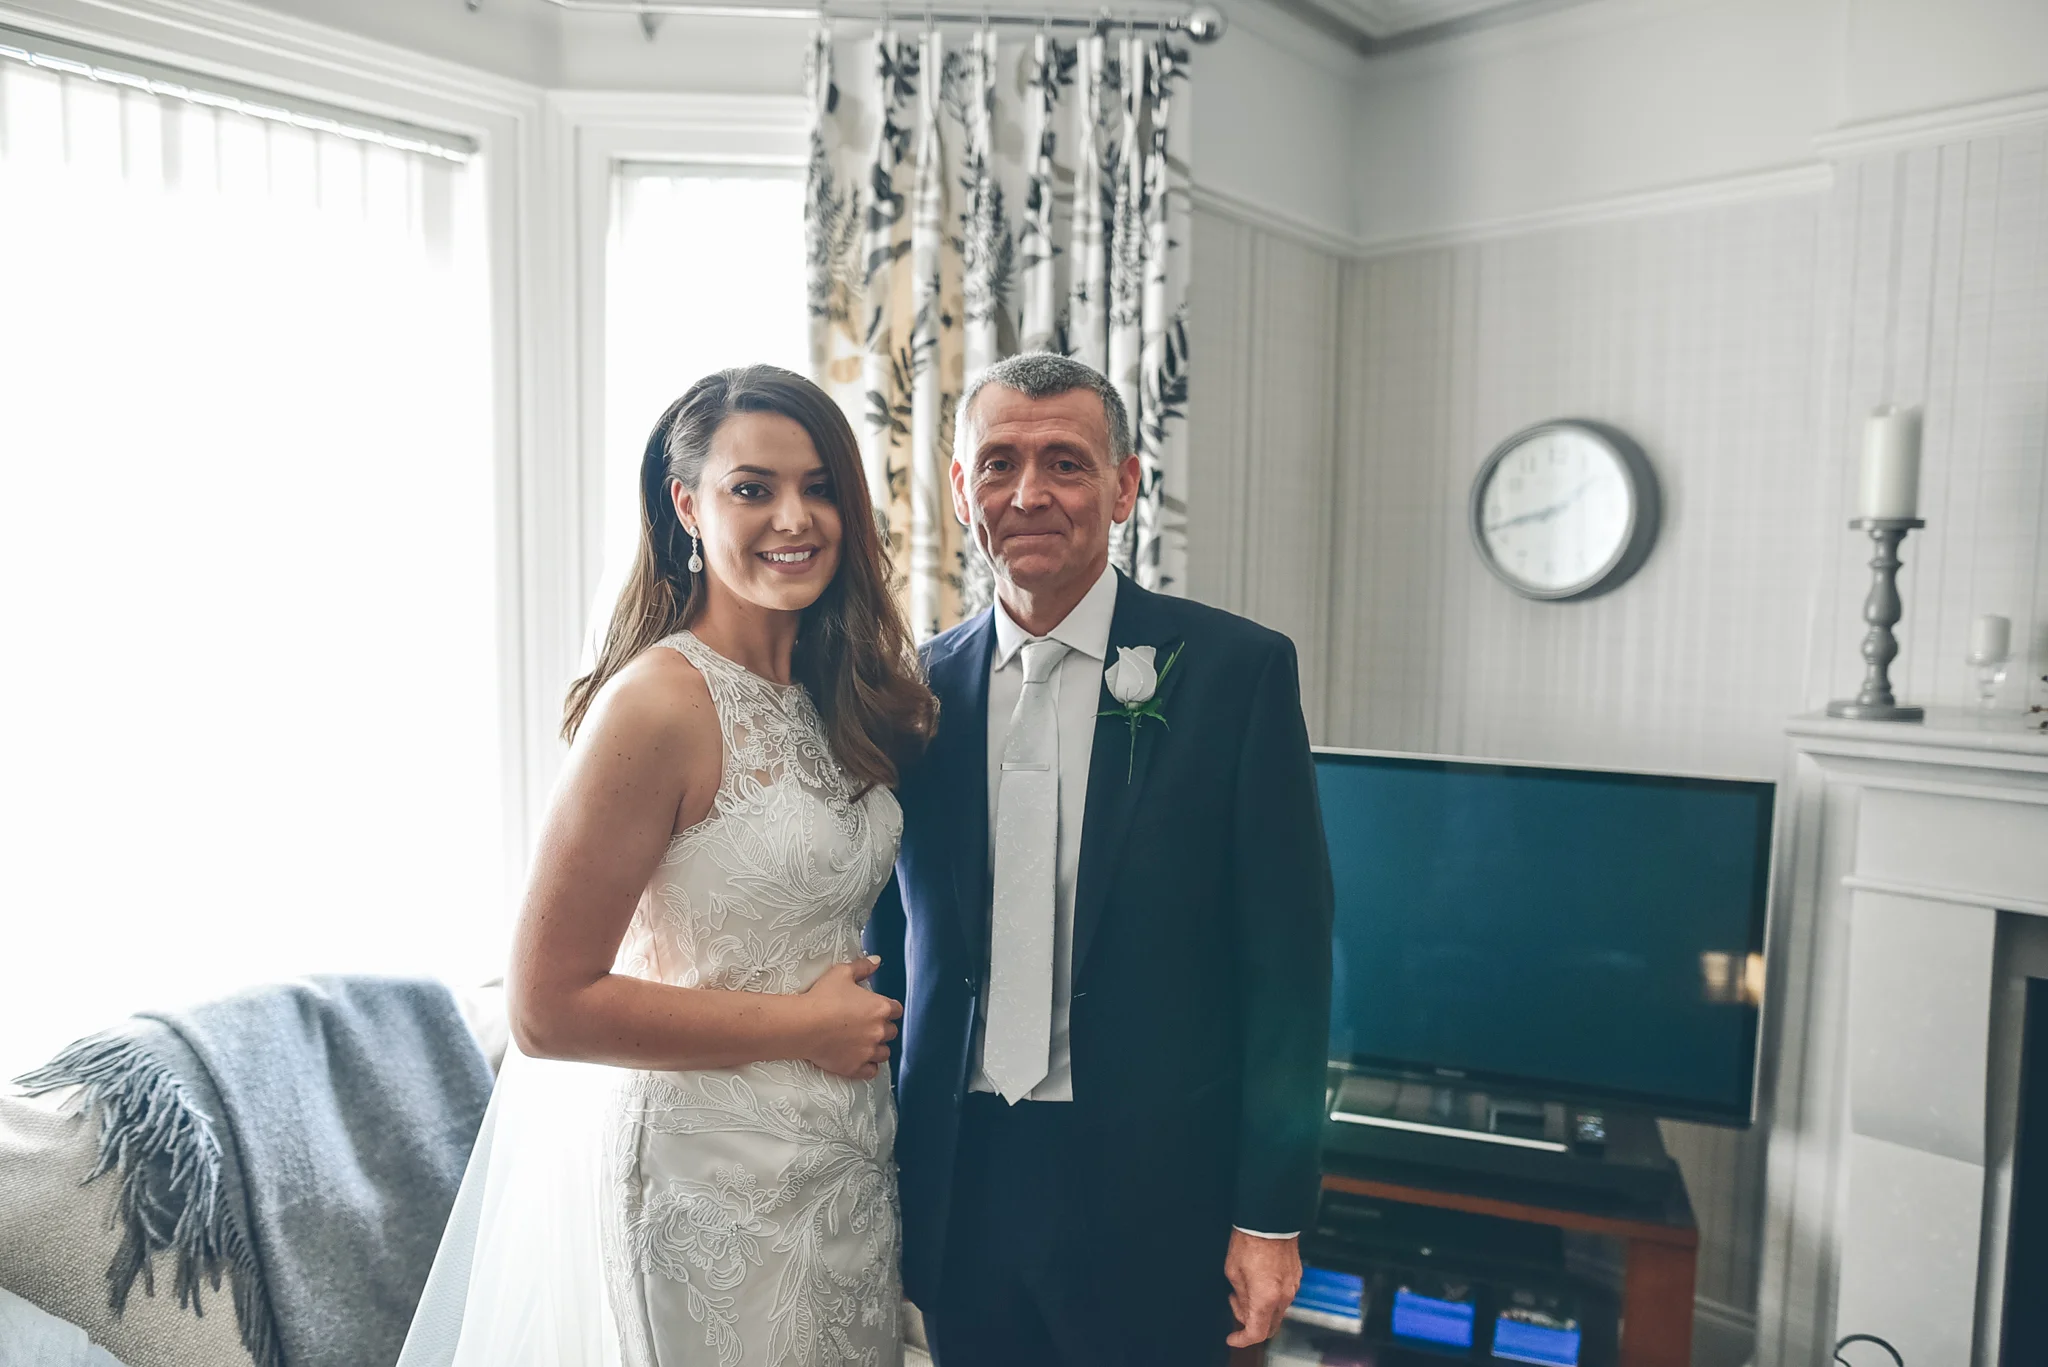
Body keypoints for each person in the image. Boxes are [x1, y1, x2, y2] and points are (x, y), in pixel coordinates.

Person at [399, 365, 935, 1367]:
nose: (794, 516)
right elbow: (545, 1007)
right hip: (708, 1186)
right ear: (685, 503)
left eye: (819, 486)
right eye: (752, 487)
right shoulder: (656, 704)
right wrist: (805, 1024)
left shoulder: (837, 695)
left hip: (841, 1169)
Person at [868, 352, 1335, 1366]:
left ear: (1124, 485)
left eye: (1064, 463)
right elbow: (886, 942)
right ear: (959, 490)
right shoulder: (904, 693)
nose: (1028, 492)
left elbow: (1288, 969)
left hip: (1158, 1190)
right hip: (961, 1181)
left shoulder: (1236, 674)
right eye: (997, 462)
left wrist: (1269, 1212)